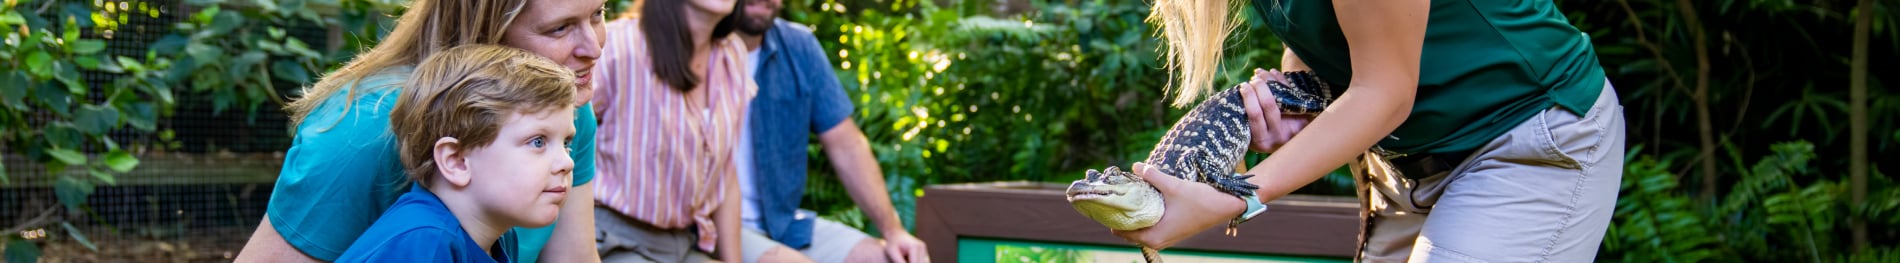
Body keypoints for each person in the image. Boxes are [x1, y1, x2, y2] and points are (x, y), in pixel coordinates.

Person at [1116, 0, 1626, 262]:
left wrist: (1239, 196)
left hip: (1527, 137)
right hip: (1404, 162)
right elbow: (1326, 35)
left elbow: (1386, 91)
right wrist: (1297, 102)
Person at [232, 0, 608, 261]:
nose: (593, 47)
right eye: (559, 28)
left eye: (598, 13)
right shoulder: (365, 132)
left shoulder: (560, 107)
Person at [335, 44, 579, 263]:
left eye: (566, 142)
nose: (566, 162)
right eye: (537, 142)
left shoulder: (499, 239)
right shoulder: (424, 243)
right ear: (456, 161)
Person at [729, 0, 928, 262]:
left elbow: (847, 145)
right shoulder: (696, 49)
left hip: (783, 224)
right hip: (717, 228)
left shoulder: (798, 45)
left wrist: (894, 231)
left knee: (890, 259)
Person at [588, 0, 753, 261]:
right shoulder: (619, 45)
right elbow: (562, 139)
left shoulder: (732, 53)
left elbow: (725, 174)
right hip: (614, 239)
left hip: (684, 240)